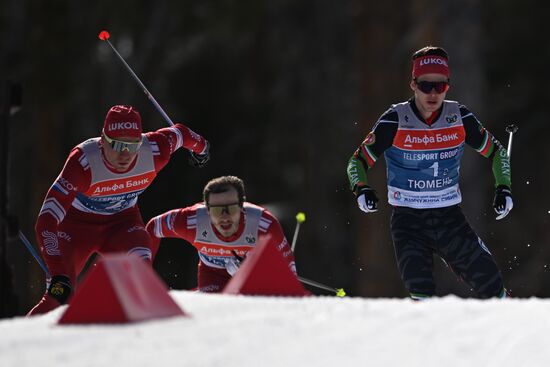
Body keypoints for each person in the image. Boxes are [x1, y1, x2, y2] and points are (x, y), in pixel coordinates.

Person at [346, 46, 512, 300]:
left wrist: (504, 189)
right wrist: (362, 189)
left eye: (440, 86)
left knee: (493, 286)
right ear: (413, 84)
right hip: (409, 223)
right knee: (421, 297)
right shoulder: (395, 120)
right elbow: (356, 163)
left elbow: (498, 153)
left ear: (448, 86)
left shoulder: (459, 117)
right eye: (426, 86)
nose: (433, 93)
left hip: (450, 219)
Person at [28, 105, 210, 315]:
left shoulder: (154, 150)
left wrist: (202, 148)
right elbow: (46, 220)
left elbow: (181, 133)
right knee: (59, 297)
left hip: (122, 224)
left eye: (132, 146)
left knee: (140, 275)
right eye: (116, 145)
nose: (125, 154)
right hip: (76, 228)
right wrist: (58, 272)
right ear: (103, 140)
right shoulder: (83, 162)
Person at [146, 175, 297, 292]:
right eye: (217, 211)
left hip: (253, 275)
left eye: (231, 209)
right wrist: (143, 277)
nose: (224, 217)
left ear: (241, 206)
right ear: (207, 210)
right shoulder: (192, 221)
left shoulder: (263, 224)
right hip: (212, 274)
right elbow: (153, 227)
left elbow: (288, 265)